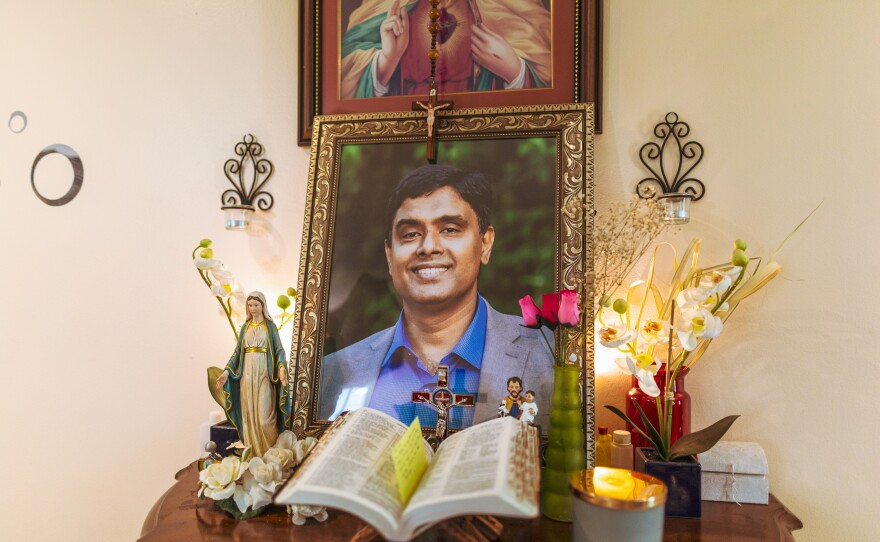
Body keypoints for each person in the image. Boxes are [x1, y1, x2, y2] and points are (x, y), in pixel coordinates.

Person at [319, 164, 553, 430]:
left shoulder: (548, 355)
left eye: (450, 229)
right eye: (410, 234)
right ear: (389, 255)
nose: (428, 247)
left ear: (485, 244)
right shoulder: (335, 371)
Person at [340, 0, 551, 99]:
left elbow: (555, 90)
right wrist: (386, 61)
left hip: (487, 142)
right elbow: (341, 91)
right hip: (402, 142)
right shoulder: (386, 4)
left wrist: (515, 72)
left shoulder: (509, 5)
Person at [214, 292, 290, 457]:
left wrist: (282, 368)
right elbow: (237, 354)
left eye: (256, 305)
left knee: (264, 419)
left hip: (264, 373)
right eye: (250, 305)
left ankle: (272, 456)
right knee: (249, 417)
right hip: (246, 376)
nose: (253, 308)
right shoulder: (245, 327)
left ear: (263, 306)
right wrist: (226, 372)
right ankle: (253, 456)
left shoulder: (270, 327)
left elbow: (278, 350)